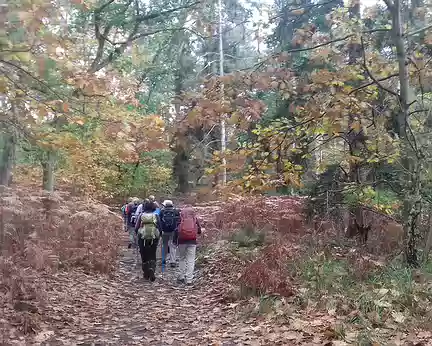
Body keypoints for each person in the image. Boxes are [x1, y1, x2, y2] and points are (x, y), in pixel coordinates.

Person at [135, 201, 161, 281]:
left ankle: (146, 273)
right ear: (153, 207)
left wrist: (138, 234)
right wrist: (159, 236)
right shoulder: (156, 215)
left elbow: (136, 228)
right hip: (153, 237)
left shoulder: (141, 215)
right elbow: (160, 228)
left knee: (144, 254)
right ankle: (152, 268)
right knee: (152, 253)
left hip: (142, 237)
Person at [175, 207, 202, 285]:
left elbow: (176, 230)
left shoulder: (180, 219)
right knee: (191, 260)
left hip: (181, 241)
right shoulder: (194, 219)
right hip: (192, 241)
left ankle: (181, 277)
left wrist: (175, 240)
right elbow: (199, 231)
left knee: (182, 258)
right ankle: (189, 279)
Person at [159, 200, 180, 268]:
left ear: (165, 205)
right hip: (173, 231)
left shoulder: (162, 211)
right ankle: (172, 261)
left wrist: (160, 230)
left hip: (164, 231)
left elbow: (159, 221)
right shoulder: (176, 211)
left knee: (164, 245)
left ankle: (163, 260)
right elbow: (179, 220)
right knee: (172, 245)